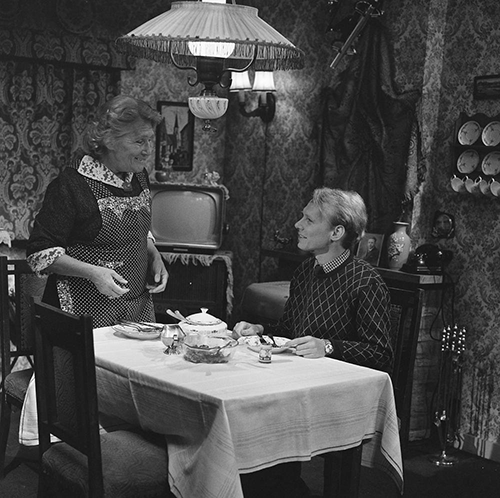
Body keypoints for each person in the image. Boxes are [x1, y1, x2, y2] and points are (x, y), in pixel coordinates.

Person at [234, 187, 393, 498]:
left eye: (308, 220)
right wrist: (260, 328)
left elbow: (380, 353)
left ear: (336, 233)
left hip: (338, 397)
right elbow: (290, 330)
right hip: (298, 386)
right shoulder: (306, 271)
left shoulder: (366, 281)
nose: (298, 225)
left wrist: (328, 346)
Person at [26, 94, 169, 328]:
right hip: (80, 316)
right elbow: (40, 253)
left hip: (136, 311)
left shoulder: (139, 176)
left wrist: (153, 254)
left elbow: (136, 230)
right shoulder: (71, 184)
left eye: (150, 140)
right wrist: (93, 273)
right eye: (139, 141)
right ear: (109, 140)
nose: (148, 150)